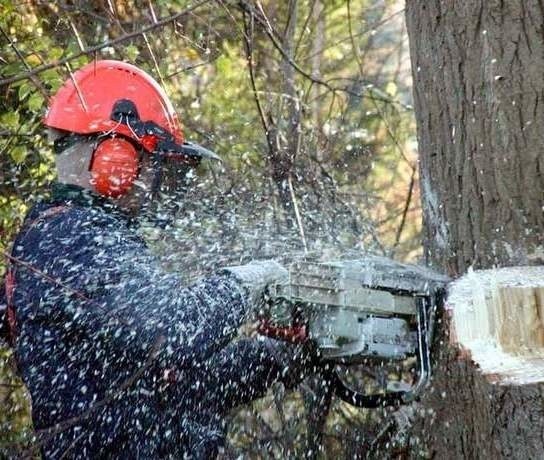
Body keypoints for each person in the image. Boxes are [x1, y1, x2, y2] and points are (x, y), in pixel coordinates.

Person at [1, 60, 317, 458]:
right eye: (152, 165)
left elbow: (178, 386)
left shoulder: (75, 239)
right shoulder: (72, 240)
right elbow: (177, 329)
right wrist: (245, 282)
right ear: (116, 160)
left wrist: (280, 355)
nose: (155, 182)